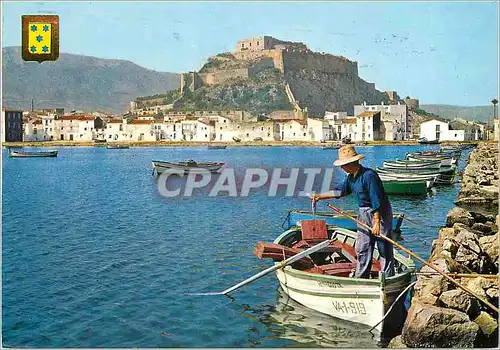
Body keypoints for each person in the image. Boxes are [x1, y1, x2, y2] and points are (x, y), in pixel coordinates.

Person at [310, 145, 395, 278]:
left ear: (350, 163)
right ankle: (362, 276)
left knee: (383, 246)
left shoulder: (369, 175)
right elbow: (340, 191)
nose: (341, 168)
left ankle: (387, 276)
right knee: (363, 246)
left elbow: (376, 199)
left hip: (379, 212)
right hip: (363, 212)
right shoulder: (351, 177)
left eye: (343, 165)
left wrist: (377, 223)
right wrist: (320, 196)